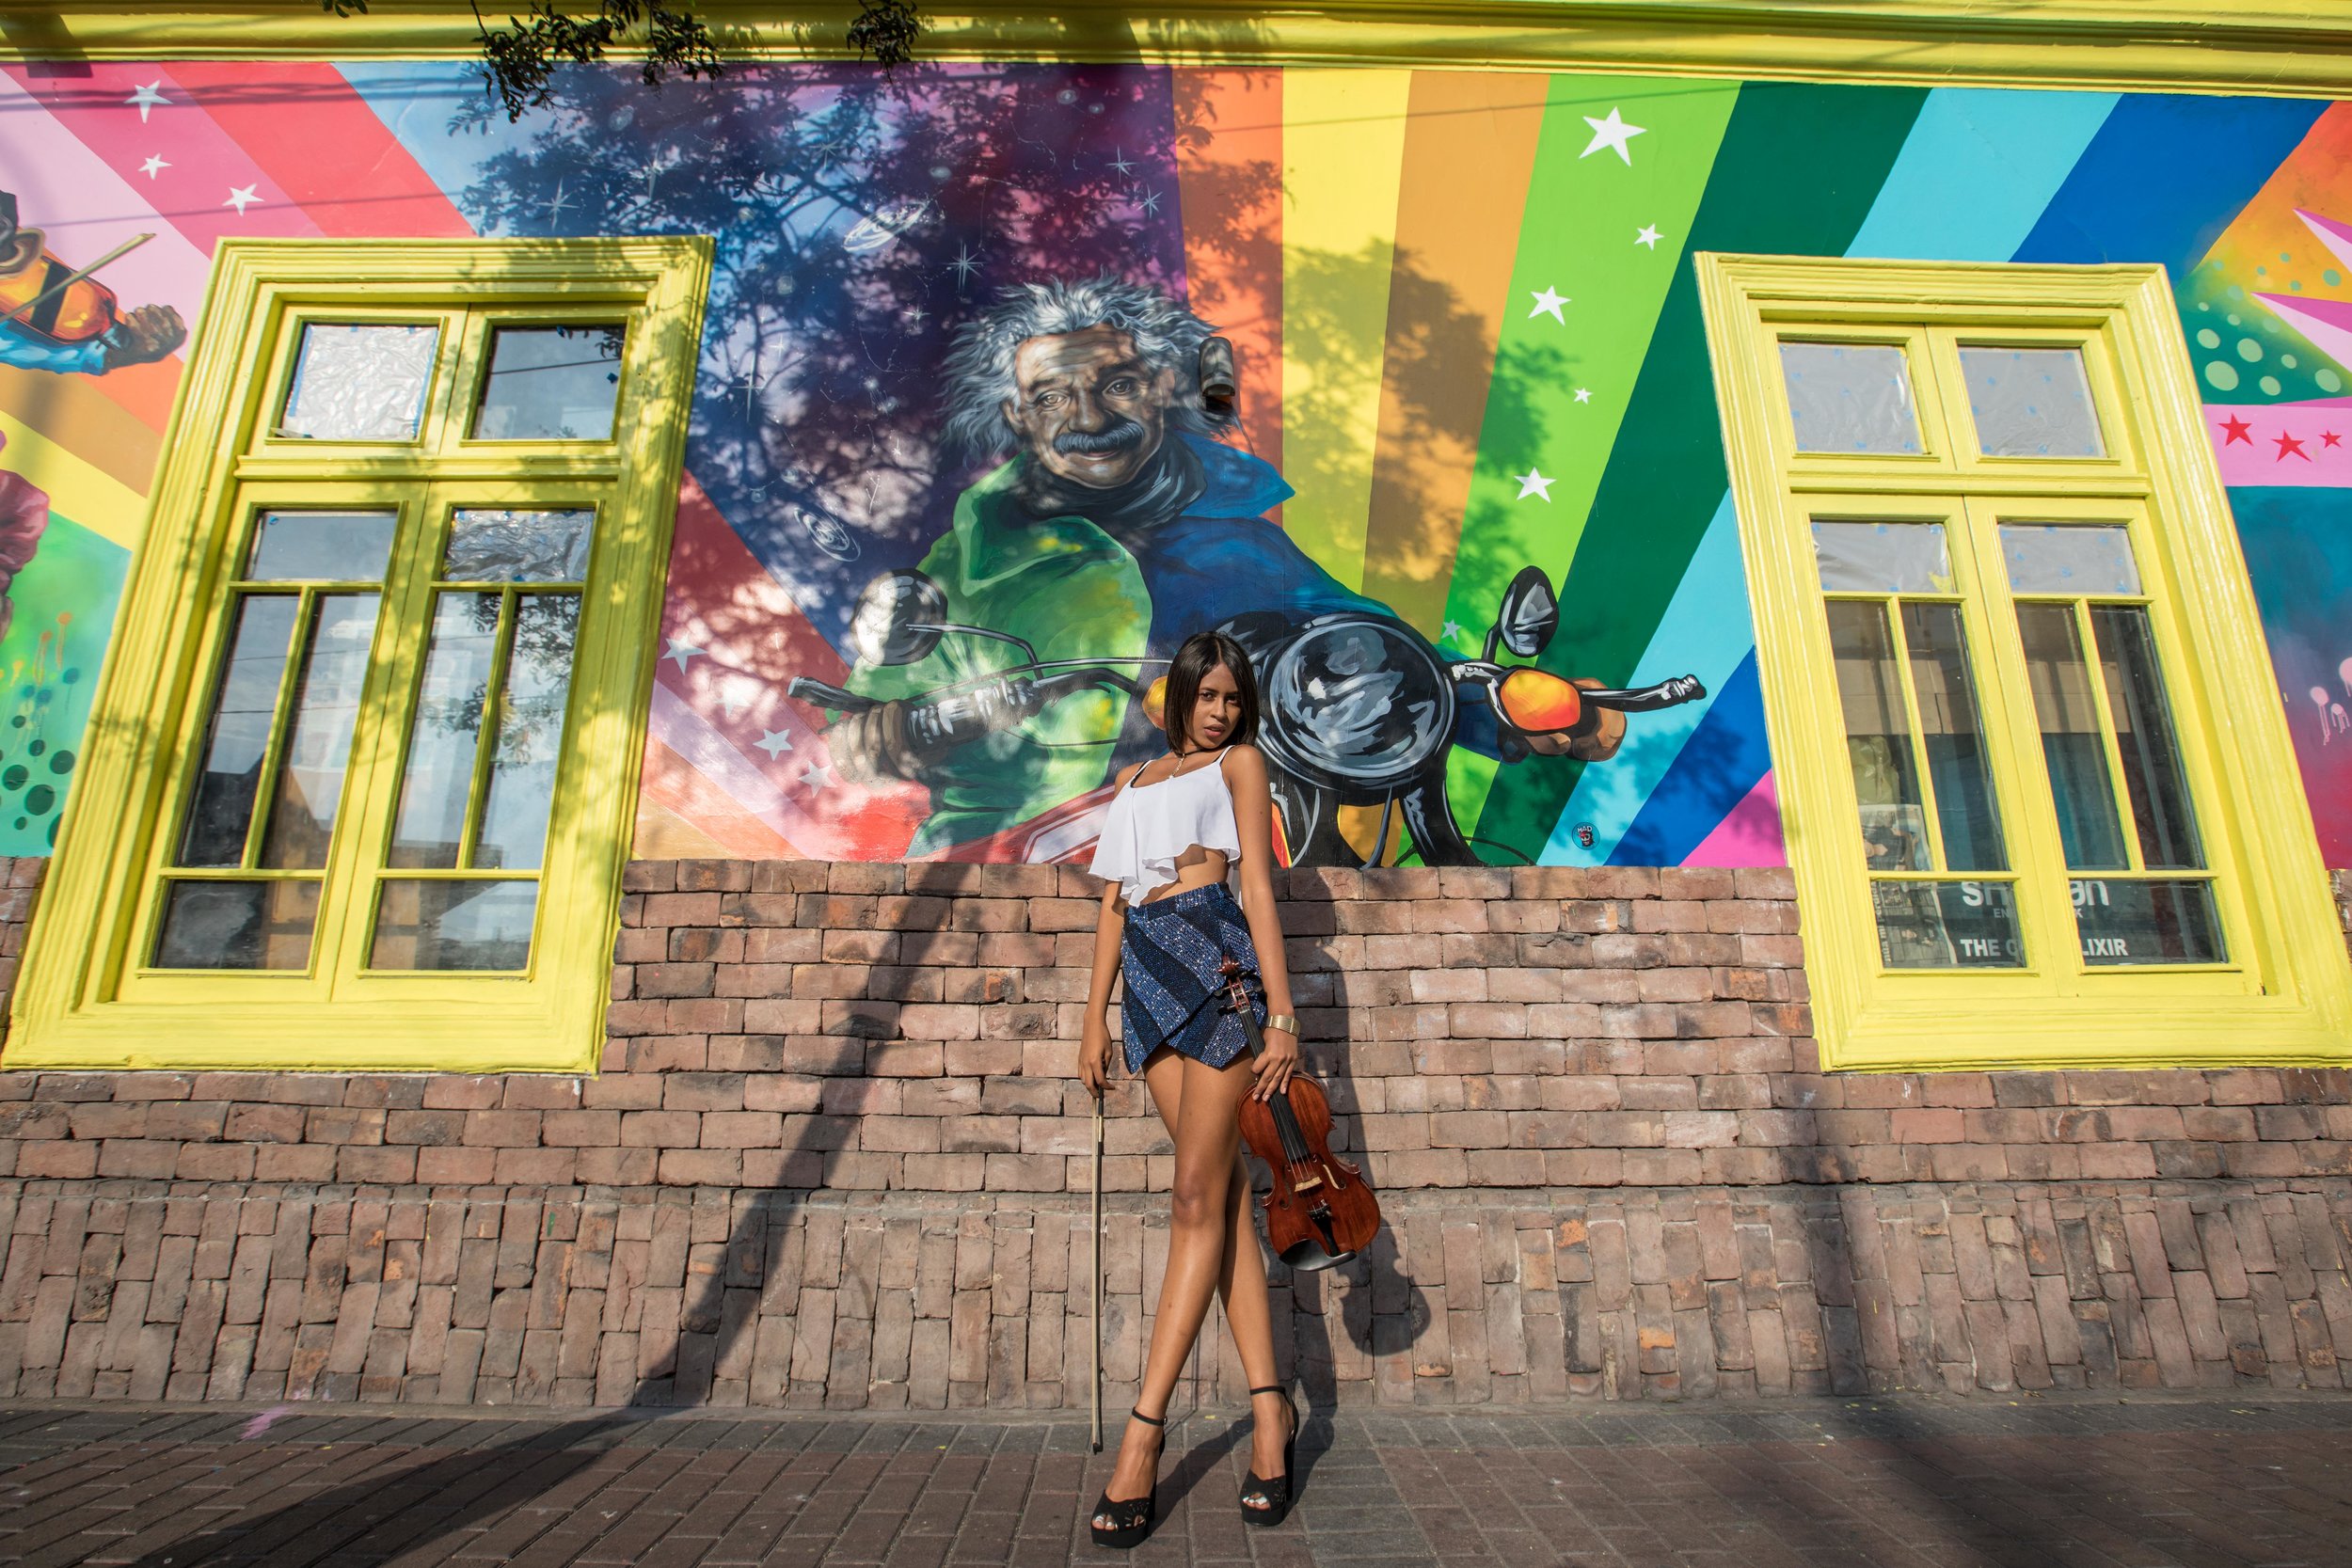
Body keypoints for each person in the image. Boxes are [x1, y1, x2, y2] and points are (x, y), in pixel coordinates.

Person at [1075, 629, 1305, 1548]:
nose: (1221, 711)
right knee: (1222, 1200)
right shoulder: (1133, 782)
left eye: (1232, 697)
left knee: (1192, 1198)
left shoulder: (1239, 765)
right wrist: (1091, 1017)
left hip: (1213, 963)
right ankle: (1268, 1412)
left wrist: (1282, 1014)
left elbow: (1254, 881)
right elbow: (1110, 904)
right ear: (1178, 695)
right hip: (1146, 975)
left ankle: (1142, 1435)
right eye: (1207, 695)